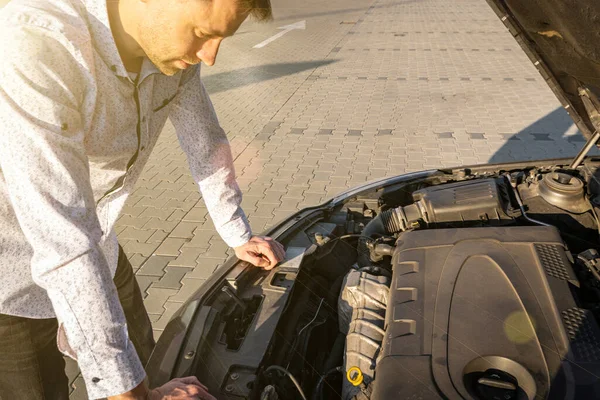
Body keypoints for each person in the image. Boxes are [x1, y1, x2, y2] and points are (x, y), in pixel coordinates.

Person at [0, 0, 285, 398]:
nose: (211, 56)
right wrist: (131, 394)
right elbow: (60, 234)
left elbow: (206, 140)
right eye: (203, 33)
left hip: (97, 243)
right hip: (9, 279)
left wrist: (236, 232)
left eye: (222, 37)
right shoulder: (38, 43)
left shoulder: (173, 57)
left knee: (149, 365)